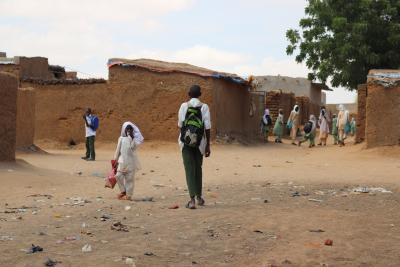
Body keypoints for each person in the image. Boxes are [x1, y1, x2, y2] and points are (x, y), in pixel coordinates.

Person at [178, 85, 211, 209]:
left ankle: (191, 200)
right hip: (200, 143)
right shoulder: (205, 107)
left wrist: (186, 136)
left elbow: (180, 125)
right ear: (200, 94)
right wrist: (208, 145)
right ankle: (199, 197)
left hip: (185, 142)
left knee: (189, 169)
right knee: (198, 168)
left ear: (188, 93)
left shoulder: (183, 106)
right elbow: (207, 127)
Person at [113, 122, 143, 201]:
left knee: (130, 179)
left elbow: (133, 148)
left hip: (131, 163)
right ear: (124, 130)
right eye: (127, 129)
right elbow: (117, 151)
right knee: (118, 176)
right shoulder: (121, 139)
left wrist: (132, 139)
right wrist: (115, 160)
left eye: (130, 130)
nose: (128, 131)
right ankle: (123, 191)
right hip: (122, 162)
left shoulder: (134, 140)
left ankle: (128, 196)